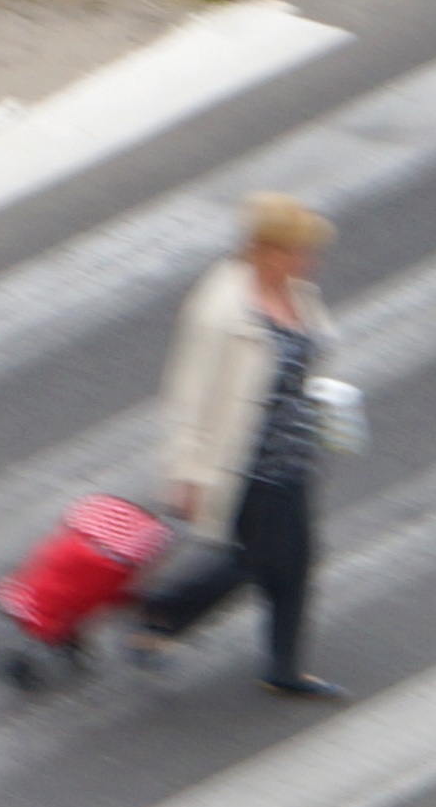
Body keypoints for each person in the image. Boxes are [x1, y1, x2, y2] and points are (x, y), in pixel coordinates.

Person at [132, 191, 348, 698]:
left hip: (293, 451)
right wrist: (184, 470)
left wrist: (333, 422)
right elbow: (189, 392)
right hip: (245, 460)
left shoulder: (297, 292)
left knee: (286, 560)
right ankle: (168, 611)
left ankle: (276, 663)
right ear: (268, 251)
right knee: (265, 559)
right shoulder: (221, 308)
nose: (310, 261)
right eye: (300, 251)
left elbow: (314, 361)